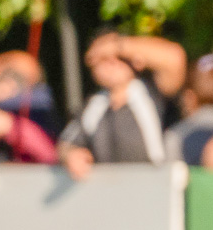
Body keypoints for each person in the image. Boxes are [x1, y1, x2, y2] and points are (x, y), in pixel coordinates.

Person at [59, 31, 187, 180]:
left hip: (156, 188)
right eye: (103, 59)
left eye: (120, 58)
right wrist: (71, 156)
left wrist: (117, 45)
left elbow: (174, 58)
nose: (112, 62)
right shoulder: (93, 106)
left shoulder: (152, 93)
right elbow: (67, 143)